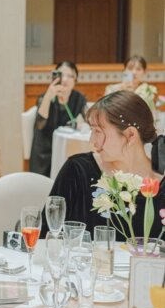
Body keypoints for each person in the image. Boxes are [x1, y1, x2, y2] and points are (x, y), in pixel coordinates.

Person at [47, 90, 165, 240]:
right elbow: (47, 235)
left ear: (130, 135)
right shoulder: (78, 171)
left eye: (98, 131)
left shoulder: (161, 189)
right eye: (92, 130)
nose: (92, 141)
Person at [29, 61, 88, 177]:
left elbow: (89, 119)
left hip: (67, 149)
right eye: (61, 75)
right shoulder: (46, 97)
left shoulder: (78, 98)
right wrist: (48, 95)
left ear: (75, 80)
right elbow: (40, 124)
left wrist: (83, 125)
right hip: (45, 151)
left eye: (70, 76)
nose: (65, 79)